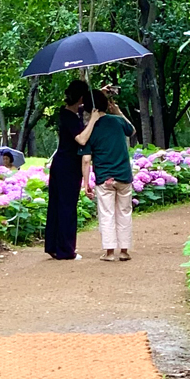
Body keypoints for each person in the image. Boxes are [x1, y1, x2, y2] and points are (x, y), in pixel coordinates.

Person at [76, 85, 136, 261]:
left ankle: (110, 252)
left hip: (105, 178)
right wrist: (118, 112)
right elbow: (131, 130)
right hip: (124, 175)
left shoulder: (89, 130)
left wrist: (86, 183)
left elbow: (86, 159)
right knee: (125, 212)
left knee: (107, 213)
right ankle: (124, 251)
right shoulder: (117, 122)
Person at [43, 80, 91, 260]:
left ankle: (54, 246)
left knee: (57, 204)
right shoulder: (70, 117)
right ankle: (66, 250)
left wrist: (99, 94)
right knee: (67, 207)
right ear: (80, 97)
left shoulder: (66, 112)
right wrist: (93, 119)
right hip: (68, 167)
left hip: (61, 164)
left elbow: (80, 111)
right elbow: (81, 139)